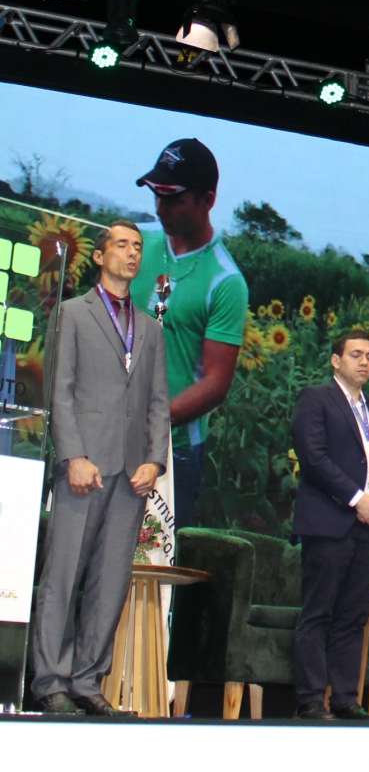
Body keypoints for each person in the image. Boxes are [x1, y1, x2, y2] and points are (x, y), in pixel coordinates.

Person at [30, 220, 169, 715]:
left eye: (137, 247)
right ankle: (50, 681)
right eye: (122, 245)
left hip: (132, 475)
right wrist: (73, 456)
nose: (132, 254)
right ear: (100, 255)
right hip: (84, 469)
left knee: (110, 581)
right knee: (64, 576)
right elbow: (59, 391)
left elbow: (157, 401)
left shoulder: (150, 327)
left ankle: (88, 681)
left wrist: (155, 460)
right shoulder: (72, 313)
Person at [132, 138, 248, 529]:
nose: (161, 208)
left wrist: (151, 419)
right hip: (104, 430)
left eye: (173, 198)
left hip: (172, 451)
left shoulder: (226, 281)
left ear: (208, 199)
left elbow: (216, 382)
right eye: (156, 196)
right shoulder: (135, 244)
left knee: (148, 574)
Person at [290, 330, 369, 721]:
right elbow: (314, 457)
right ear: (336, 360)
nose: (365, 362)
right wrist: (357, 499)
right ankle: (309, 699)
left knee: (353, 616)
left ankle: (345, 699)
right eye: (356, 354)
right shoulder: (316, 399)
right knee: (319, 611)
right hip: (330, 521)